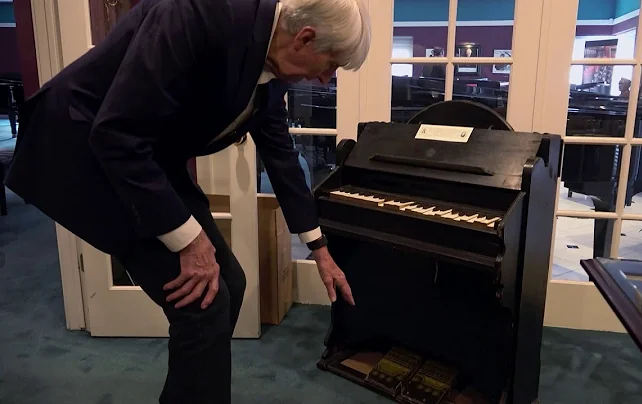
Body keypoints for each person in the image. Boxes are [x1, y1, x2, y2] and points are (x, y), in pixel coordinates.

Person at [5, 0, 371, 402]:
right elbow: (115, 135)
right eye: (331, 64)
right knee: (203, 305)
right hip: (84, 148)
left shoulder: (276, 59)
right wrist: (191, 242)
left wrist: (318, 247)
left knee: (229, 283)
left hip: (145, 156)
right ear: (305, 38)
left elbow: (279, 151)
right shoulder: (198, 13)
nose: (325, 80)